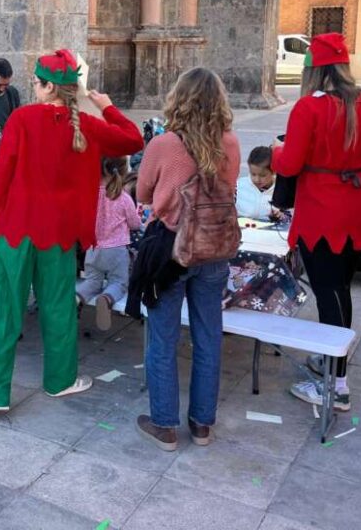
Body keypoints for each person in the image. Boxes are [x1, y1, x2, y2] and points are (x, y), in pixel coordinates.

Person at [0, 50, 143, 412]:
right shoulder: (86, 125)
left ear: (44, 86)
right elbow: (133, 140)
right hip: (59, 235)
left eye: (37, 83)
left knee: (4, 310)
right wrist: (103, 104)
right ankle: (60, 380)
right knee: (58, 307)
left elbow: (4, 177)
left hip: (15, 230)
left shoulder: (22, 118)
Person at [272, 33, 361, 412]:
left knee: (329, 292)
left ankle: (335, 384)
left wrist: (276, 153)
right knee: (341, 289)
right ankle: (331, 360)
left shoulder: (309, 107)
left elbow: (289, 165)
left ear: (314, 71)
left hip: (323, 210)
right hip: (359, 208)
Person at [133, 68, 241, 450]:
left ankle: (164, 424)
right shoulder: (229, 142)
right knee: (208, 337)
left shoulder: (164, 144)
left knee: (162, 338)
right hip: (214, 248)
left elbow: (144, 193)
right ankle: (201, 425)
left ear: (179, 99)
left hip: (172, 250)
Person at [76, 156, 142, 332]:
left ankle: (78, 297)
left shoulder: (89, 195)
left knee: (92, 280)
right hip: (117, 250)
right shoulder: (123, 197)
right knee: (119, 282)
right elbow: (135, 223)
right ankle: (106, 299)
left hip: (93, 248)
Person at [235, 146, 279, 221]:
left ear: (274, 171)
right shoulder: (239, 185)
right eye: (253, 174)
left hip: (268, 230)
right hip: (241, 228)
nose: (257, 179)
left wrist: (279, 216)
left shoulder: (280, 191)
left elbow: (287, 217)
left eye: (263, 175)